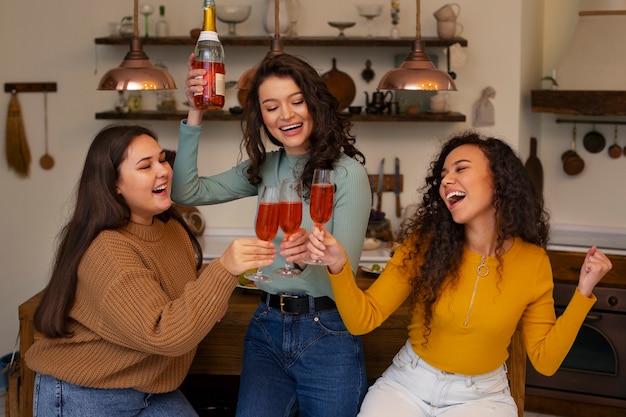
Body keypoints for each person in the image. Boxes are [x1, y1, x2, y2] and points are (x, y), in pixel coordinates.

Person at [308, 131, 613, 417]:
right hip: (407, 385)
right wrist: (339, 265)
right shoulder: (424, 246)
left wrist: (583, 293)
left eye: (460, 169)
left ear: (499, 180)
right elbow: (364, 319)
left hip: (482, 397)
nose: (446, 181)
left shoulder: (533, 262)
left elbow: (545, 361)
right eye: (443, 175)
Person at [25, 125, 276, 417]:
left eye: (162, 159)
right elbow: (164, 333)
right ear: (113, 184)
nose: (163, 171)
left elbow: (173, 285)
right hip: (86, 393)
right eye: (145, 166)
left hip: (150, 388)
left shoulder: (169, 229)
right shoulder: (108, 250)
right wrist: (223, 270)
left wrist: (209, 295)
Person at [172, 53, 372, 417]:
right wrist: (195, 112)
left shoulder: (347, 175)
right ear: (260, 116)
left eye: (297, 102)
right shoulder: (266, 166)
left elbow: (341, 277)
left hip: (327, 332)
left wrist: (306, 257)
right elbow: (186, 191)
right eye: (271, 106)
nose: (286, 115)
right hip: (267, 328)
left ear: (314, 103)